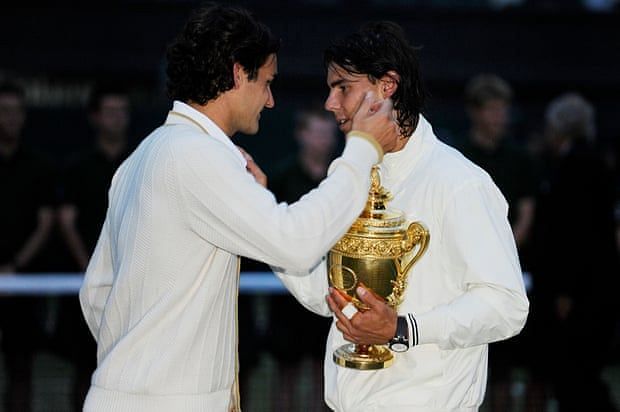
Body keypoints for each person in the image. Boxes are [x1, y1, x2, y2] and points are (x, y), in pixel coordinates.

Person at [78, 3, 395, 412]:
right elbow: (295, 243)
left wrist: (134, 373)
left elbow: (96, 292)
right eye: (266, 82)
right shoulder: (194, 155)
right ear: (236, 73)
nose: (270, 101)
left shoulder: (144, 156)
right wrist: (362, 149)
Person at [274, 21, 529, 411]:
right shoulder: (349, 173)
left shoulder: (460, 182)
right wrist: (263, 224)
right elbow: (324, 296)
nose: (330, 103)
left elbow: (507, 306)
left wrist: (402, 329)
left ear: (386, 86)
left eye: (342, 87)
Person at [455, 73, 540, 409]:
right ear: (475, 112)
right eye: (492, 109)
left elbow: (526, 215)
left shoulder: (521, 160)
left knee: (514, 367)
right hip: (465, 281)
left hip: (512, 276)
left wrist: (499, 254)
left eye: (503, 109)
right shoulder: (458, 157)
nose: (499, 117)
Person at [530, 93, 619, 411]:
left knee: (575, 377)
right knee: (580, 375)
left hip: (577, 295)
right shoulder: (596, 164)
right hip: (593, 290)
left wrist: (565, 290)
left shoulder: (574, 169)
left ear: (558, 128)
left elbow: (574, 235)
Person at [55, 82, 133, 411]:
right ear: (95, 117)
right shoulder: (77, 168)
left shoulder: (140, 161)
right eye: (110, 111)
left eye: (122, 111)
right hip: (87, 284)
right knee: (85, 369)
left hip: (132, 286)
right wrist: (92, 267)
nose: (116, 118)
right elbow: (66, 220)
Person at [267, 104, 339, 411]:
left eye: (328, 132)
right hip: (288, 294)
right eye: (316, 131)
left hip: (332, 291)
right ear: (301, 135)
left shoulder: (342, 179)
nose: (322, 139)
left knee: (324, 370)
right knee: (287, 371)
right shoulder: (281, 177)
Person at [0, 79, 55, 412]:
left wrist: (14, 268)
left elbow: (46, 222)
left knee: (21, 369)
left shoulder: (38, 166)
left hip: (24, 281)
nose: (9, 118)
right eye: (2, 111)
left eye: (14, 111)